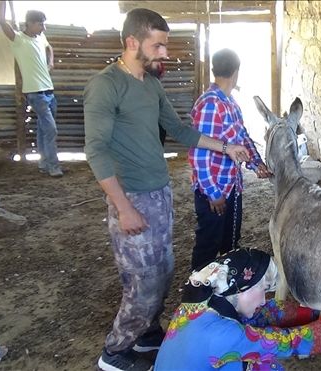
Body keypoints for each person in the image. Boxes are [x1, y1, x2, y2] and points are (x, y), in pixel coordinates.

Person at [83, 8, 251, 371]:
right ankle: (114, 352)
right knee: (143, 283)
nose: (165, 53)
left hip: (159, 194)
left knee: (163, 271)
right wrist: (123, 207)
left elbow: (180, 131)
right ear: (132, 43)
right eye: (158, 46)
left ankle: (146, 334)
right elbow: (95, 151)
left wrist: (226, 148)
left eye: (166, 45)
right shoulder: (107, 85)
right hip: (131, 197)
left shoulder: (150, 84)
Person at [154, 248, 321, 370]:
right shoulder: (222, 334)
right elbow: (287, 342)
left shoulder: (209, 300)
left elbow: (268, 311)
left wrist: (315, 314)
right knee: (262, 362)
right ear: (242, 289)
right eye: (263, 289)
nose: (264, 300)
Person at [188, 48, 270, 271]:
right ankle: (196, 300)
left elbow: (241, 137)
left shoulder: (229, 103)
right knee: (208, 246)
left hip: (231, 185)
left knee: (230, 243)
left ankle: (223, 294)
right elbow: (198, 153)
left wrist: (256, 163)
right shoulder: (211, 104)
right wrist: (213, 194)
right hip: (214, 192)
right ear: (236, 72)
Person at [0, 0, 62, 177]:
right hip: (35, 94)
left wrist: (50, 62)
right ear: (31, 23)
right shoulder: (18, 40)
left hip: (49, 90)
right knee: (51, 129)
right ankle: (53, 166)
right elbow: (2, 21)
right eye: (40, 23)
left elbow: (50, 48)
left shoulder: (40, 38)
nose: (43, 27)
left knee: (43, 128)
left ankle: (42, 163)